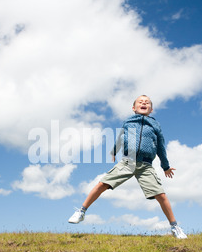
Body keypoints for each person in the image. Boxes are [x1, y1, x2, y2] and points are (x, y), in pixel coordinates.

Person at [68, 95, 188, 239]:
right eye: (140, 102)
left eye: (147, 102)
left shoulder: (155, 125)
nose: (144, 103)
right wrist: (114, 150)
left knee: (161, 195)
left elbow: (161, 147)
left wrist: (165, 166)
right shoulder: (128, 122)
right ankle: (81, 211)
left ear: (151, 109)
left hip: (146, 165)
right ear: (133, 108)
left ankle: (175, 227)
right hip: (127, 162)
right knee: (102, 184)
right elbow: (121, 137)